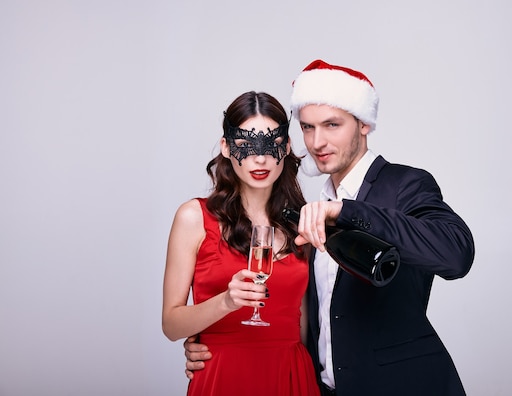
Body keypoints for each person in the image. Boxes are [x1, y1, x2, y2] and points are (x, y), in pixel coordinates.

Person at [184, 61, 475, 396]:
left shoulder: (404, 185)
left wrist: (348, 211)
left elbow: (456, 254)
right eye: (308, 128)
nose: (317, 142)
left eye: (332, 125)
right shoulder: (307, 213)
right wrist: (211, 342)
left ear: (364, 124)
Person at [162, 91, 320, 396]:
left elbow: (305, 325)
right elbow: (171, 324)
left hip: (291, 375)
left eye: (271, 145)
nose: (259, 159)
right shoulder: (194, 218)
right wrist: (225, 302)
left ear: (286, 147)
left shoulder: (301, 224)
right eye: (245, 146)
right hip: (224, 375)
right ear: (225, 146)